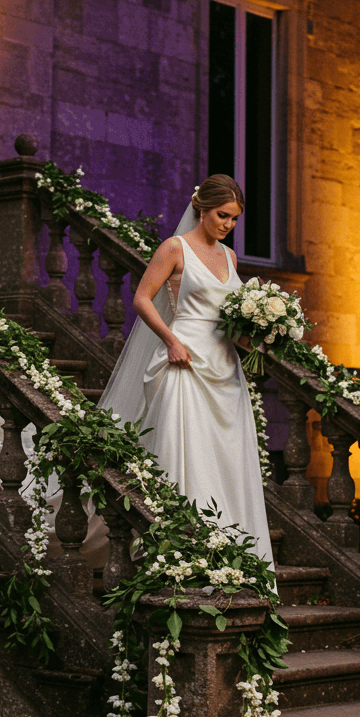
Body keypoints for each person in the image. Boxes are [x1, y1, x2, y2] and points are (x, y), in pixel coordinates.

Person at [98, 175, 275, 570]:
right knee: (184, 455)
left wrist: (257, 334)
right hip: (184, 363)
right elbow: (142, 298)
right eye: (222, 215)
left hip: (225, 369)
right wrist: (170, 340)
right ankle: (181, 556)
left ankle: (234, 556)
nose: (227, 225)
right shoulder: (174, 248)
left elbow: (230, 314)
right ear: (201, 208)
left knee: (226, 461)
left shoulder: (229, 258)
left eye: (234, 219)